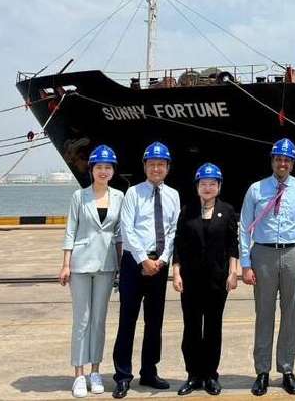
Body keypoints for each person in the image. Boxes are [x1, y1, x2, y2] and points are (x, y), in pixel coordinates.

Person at [239, 138, 295, 396]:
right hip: (263, 254)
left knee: (290, 314)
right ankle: (262, 371)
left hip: (294, 253)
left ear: (292, 163)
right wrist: (245, 264)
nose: (282, 163)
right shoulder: (256, 189)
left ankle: (287, 369)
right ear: (272, 161)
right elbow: (244, 227)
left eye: (287, 160)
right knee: (264, 314)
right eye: (278, 159)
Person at [112, 142, 180, 399]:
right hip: (133, 263)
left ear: (168, 167)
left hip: (159, 265)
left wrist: (161, 260)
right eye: (152, 164)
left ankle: (149, 371)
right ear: (144, 166)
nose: (156, 168)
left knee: (154, 322)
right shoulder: (133, 193)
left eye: (161, 164)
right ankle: (122, 375)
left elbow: (173, 230)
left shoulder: (174, 195)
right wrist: (143, 260)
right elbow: (127, 229)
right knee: (127, 320)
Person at [59, 144, 124, 398]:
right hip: (80, 264)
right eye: (99, 167)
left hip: (107, 265)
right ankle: (79, 374)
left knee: (99, 320)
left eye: (108, 167)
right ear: (91, 170)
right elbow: (70, 231)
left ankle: (95, 371)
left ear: (113, 171)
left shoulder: (119, 197)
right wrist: (66, 264)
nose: (103, 171)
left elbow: (119, 235)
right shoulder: (79, 196)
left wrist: (121, 265)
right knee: (82, 320)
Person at [172, 163, 240, 396]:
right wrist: (176, 272)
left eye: (212, 183)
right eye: (204, 184)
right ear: (197, 186)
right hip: (191, 279)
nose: (208, 188)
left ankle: (210, 375)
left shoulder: (227, 211)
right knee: (191, 327)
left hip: (217, 280)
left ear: (219, 186)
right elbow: (179, 243)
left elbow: (232, 244)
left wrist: (233, 272)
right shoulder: (187, 210)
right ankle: (193, 375)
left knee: (213, 327)